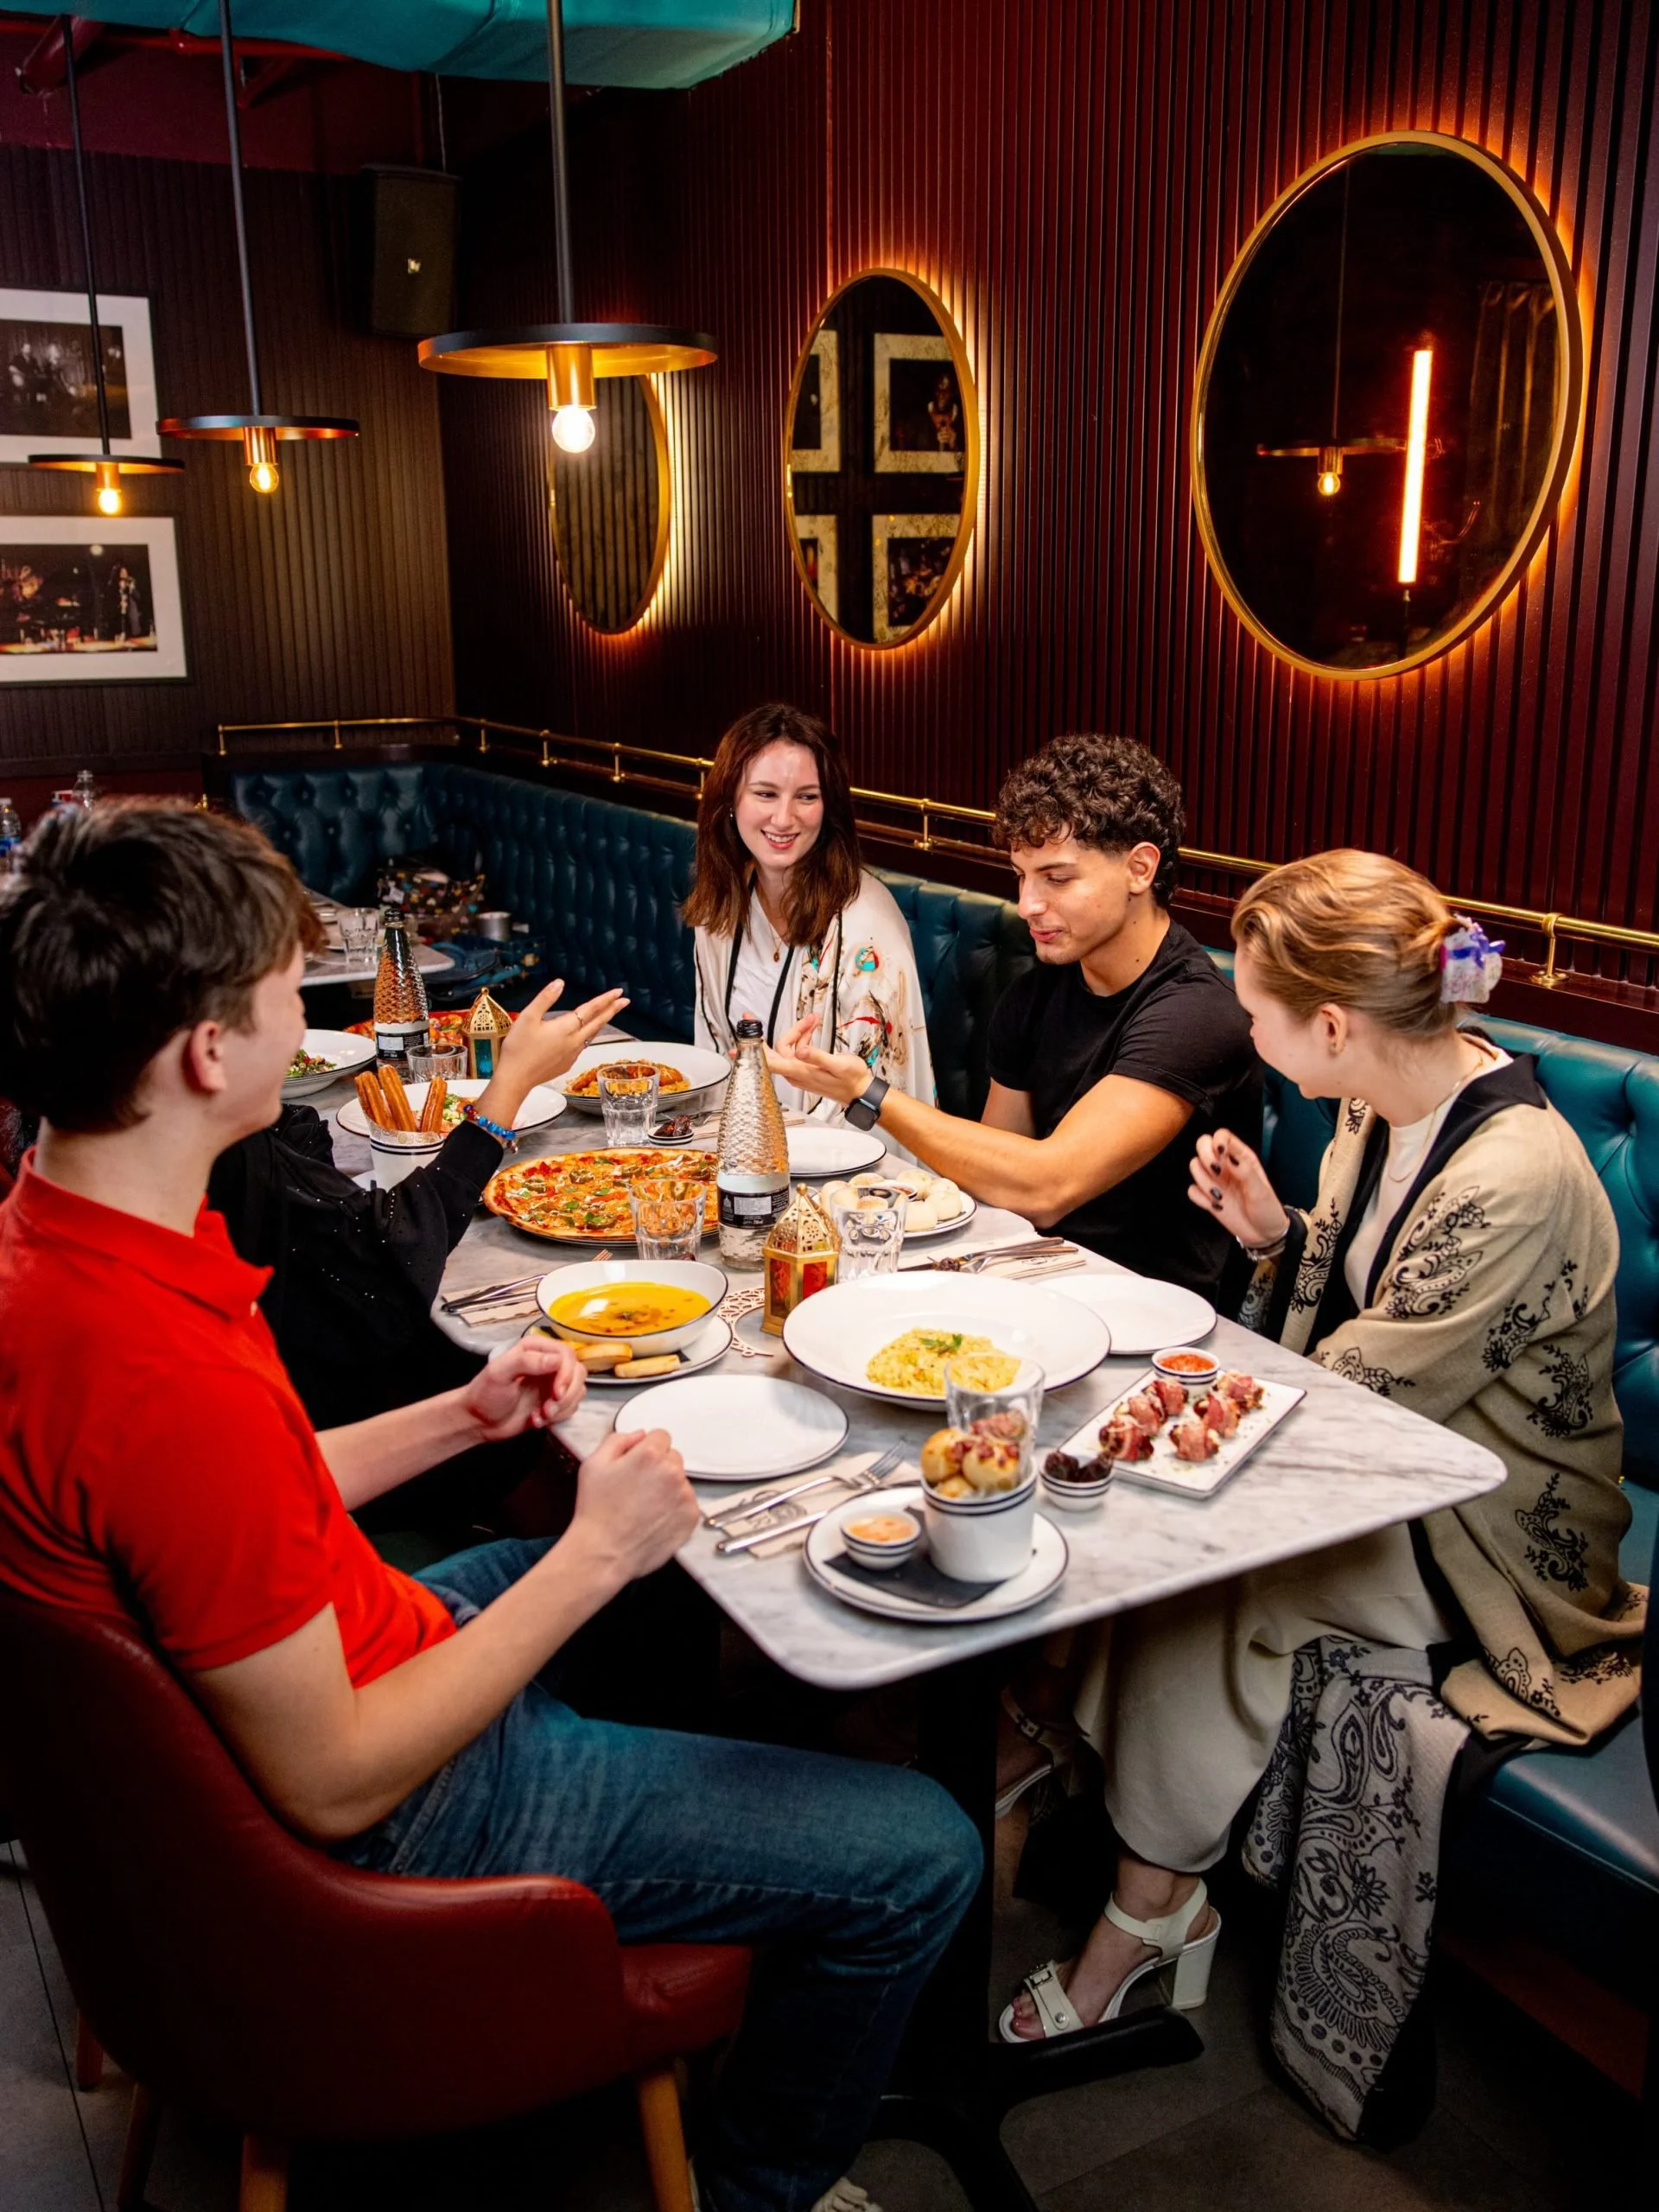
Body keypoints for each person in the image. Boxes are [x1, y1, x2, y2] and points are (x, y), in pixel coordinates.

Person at [0, 801, 981, 2212]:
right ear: (209, 1054)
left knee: (669, 1584)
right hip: (388, 1811)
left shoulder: (55, 1246)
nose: (306, 999)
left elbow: (239, 1510)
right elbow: (336, 1776)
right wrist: (585, 1558)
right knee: (921, 1855)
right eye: (288, 978)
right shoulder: (156, 1376)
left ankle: (677, 1874)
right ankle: (767, 2181)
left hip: (319, 1650)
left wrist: (460, 1418)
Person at [1001, 849, 1644, 2044]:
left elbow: (1367, 1383)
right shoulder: (1379, 1100)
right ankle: (1103, 1797)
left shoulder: (1515, 1174)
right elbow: (1373, 1301)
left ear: (1336, 1025)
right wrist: (1275, 1233)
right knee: (1148, 1525)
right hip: (1405, 1448)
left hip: (1498, 1525)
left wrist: (1174, 1406)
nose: (1241, 1033)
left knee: (1209, 1584)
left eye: (1254, 1013)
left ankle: (1148, 1923)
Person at [767, 733, 1262, 1299]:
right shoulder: (1035, 995)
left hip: (1158, 1313)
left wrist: (869, 1093)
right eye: (1022, 876)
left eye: (1057, 877)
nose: (1027, 903)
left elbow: (1049, 1184)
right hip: (1039, 1273)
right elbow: (996, 1175)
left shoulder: (1193, 1014)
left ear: (1140, 868)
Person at [206, 976, 627, 1548]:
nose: (299, 1034)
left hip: (305, 1445)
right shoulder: (228, 1165)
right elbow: (389, 1250)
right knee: (458, 1361)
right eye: (283, 1000)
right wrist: (510, 1085)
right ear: (208, 1046)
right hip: (328, 1474)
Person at [685, 702, 935, 1118]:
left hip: (853, 1167)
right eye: (765, 793)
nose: (783, 818)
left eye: (807, 797)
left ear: (828, 808)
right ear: (730, 798)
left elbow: (877, 1105)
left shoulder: (867, 931)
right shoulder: (721, 908)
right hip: (747, 1145)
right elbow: (713, 1058)